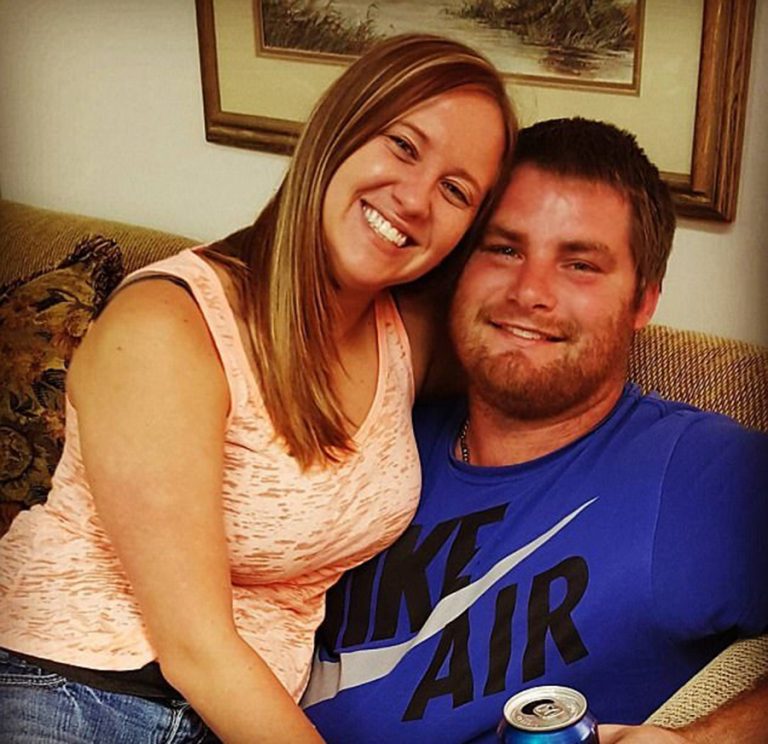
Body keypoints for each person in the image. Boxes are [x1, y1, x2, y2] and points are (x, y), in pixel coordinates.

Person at [0, 34, 517, 742]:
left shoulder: (408, 337)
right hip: (71, 689)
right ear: (339, 130)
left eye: (456, 190)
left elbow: (536, 360)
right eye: (402, 146)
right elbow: (196, 649)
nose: (416, 199)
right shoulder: (167, 328)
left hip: (234, 713)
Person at [302, 118, 768, 743]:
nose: (529, 292)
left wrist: (703, 739)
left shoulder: (695, 473)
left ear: (643, 302)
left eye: (580, 264)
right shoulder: (379, 406)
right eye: (504, 249)